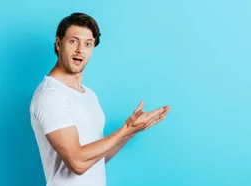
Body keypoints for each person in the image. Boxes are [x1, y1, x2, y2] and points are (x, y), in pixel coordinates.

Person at [29, 12, 171, 186]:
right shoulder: (51, 96)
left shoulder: (88, 94)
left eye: (88, 44)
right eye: (73, 41)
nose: (80, 50)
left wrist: (131, 132)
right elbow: (77, 163)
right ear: (59, 43)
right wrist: (125, 129)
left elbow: (95, 160)